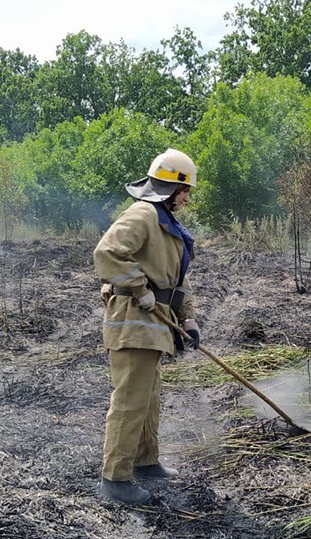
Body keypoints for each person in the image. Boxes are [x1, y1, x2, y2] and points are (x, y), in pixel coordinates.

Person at [94, 148, 202, 505]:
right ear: (171, 188)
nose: (187, 197)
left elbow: (175, 280)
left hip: (154, 324)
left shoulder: (166, 223)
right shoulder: (143, 214)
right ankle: (116, 479)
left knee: (149, 396)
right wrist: (140, 290)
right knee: (130, 400)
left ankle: (145, 461)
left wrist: (188, 318)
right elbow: (107, 253)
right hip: (133, 321)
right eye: (185, 190)